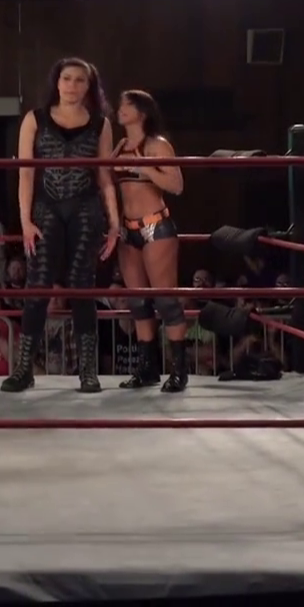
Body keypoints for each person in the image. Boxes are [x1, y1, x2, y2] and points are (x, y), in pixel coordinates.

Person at [2, 57, 120, 394]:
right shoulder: (35, 119)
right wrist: (25, 220)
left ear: (89, 86)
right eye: (67, 78)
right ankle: (24, 368)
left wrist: (114, 224)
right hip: (47, 206)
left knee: (82, 287)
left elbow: (105, 177)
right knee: (37, 286)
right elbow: (25, 173)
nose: (72, 86)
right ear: (56, 82)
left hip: (85, 206)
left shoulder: (100, 124)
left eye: (80, 80)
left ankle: (88, 372)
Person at [112, 90, 188, 392]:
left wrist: (147, 168)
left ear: (142, 112)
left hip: (155, 226)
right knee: (138, 302)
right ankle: (148, 369)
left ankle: (179, 371)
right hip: (127, 230)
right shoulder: (119, 147)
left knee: (166, 301)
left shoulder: (158, 145)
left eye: (127, 105)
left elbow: (177, 185)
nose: (120, 109)